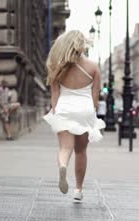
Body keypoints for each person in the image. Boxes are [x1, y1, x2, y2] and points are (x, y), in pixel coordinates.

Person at [43, 30, 105, 202]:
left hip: (64, 107)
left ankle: (63, 166)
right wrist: (91, 112)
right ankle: (78, 189)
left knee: (65, 148)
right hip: (84, 109)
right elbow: (95, 97)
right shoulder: (93, 67)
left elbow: (55, 94)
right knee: (81, 151)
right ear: (82, 45)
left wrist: (56, 111)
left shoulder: (57, 66)